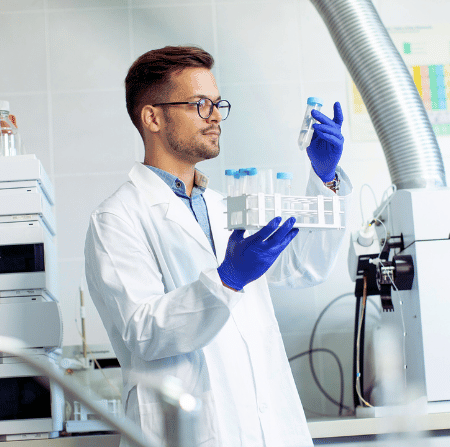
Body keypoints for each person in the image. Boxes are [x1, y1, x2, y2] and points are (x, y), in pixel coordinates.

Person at [84, 45, 351, 446]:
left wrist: (325, 179)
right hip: (190, 433)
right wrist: (226, 280)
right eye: (200, 104)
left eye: (217, 103)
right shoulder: (117, 219)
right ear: (152, 117)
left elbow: (304, 267)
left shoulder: (228, 207)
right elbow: (142, 333)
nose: (215, 117)